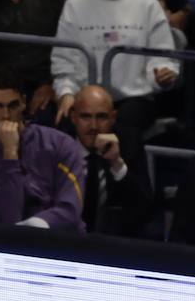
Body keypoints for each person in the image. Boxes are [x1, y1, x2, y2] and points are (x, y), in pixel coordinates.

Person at [52, 0, 179, 132]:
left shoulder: (147, 4)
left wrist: (163, 75)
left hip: (135, 98)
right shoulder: (75, 4)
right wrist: (66, 93)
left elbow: (163, 59)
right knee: (62, 124)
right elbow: (64, 61)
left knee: (124, 128)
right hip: (85, 98)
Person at [0, 67, 87, 231]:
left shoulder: (60, 144)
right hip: (11, 245)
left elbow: (71, 209)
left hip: (62, 241)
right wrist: (10, 154)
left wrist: (32, 227)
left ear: (24, 102)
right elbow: (8, 216)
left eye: (13, 105)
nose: (5, 115)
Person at [67, 85, 158, 237]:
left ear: (113, 117)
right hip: (66, 238)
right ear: (73, 117)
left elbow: (145, 210)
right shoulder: (58, 142)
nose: (94, 126)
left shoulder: (129, 142)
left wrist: (117, 164)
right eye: (86, 117)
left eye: (102, 117)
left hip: (113, 241)